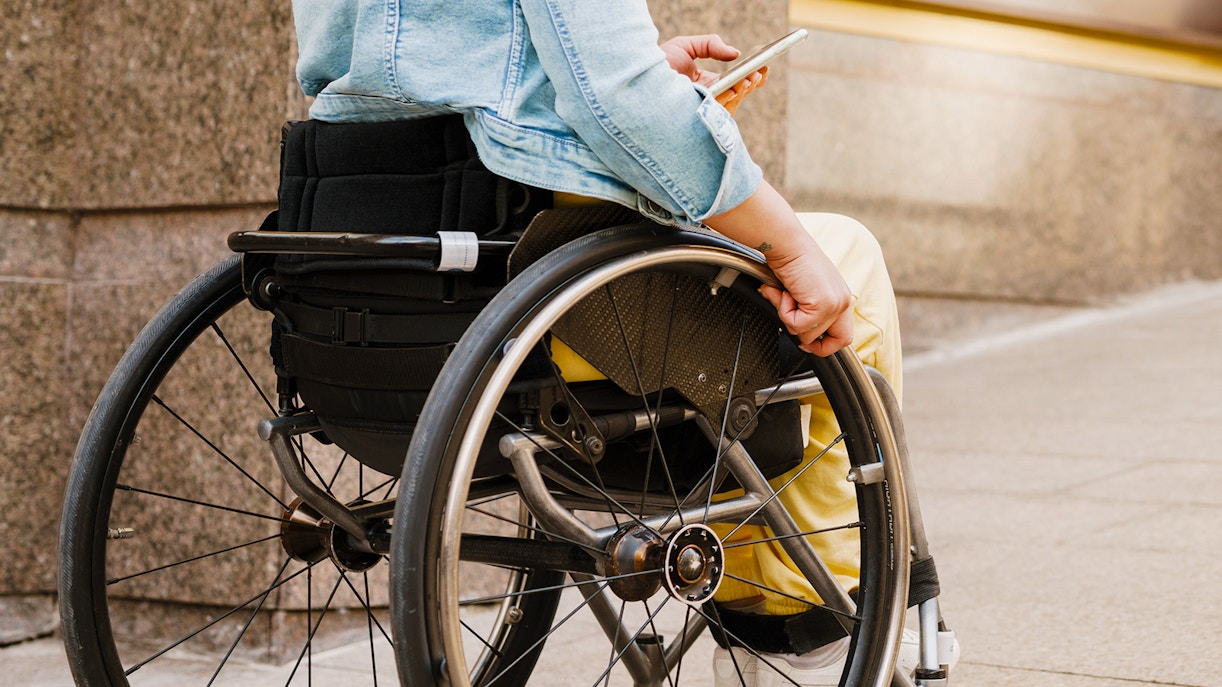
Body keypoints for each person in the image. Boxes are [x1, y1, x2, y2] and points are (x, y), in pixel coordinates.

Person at [290, 2, 909, 684]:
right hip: (544, 295)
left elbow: (419, 71)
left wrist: (624, 88)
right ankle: (799, 637)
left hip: (375, 275)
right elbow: (620, 100)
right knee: (846, 256)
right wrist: (787, 246)